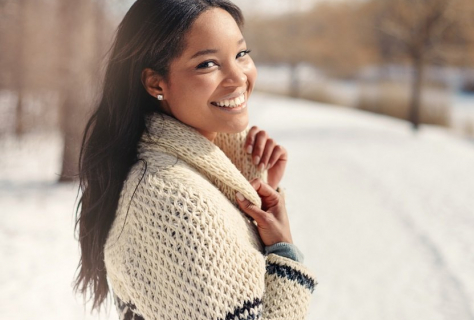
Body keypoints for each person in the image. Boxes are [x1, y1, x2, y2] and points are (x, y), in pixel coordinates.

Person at [72, 0, 317, 319]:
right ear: (156, 83)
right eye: (208, 64)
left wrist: (257, 189)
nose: (238, 78)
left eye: (241, 54)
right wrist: (285, 253)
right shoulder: (175, 202)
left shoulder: (177, 174)